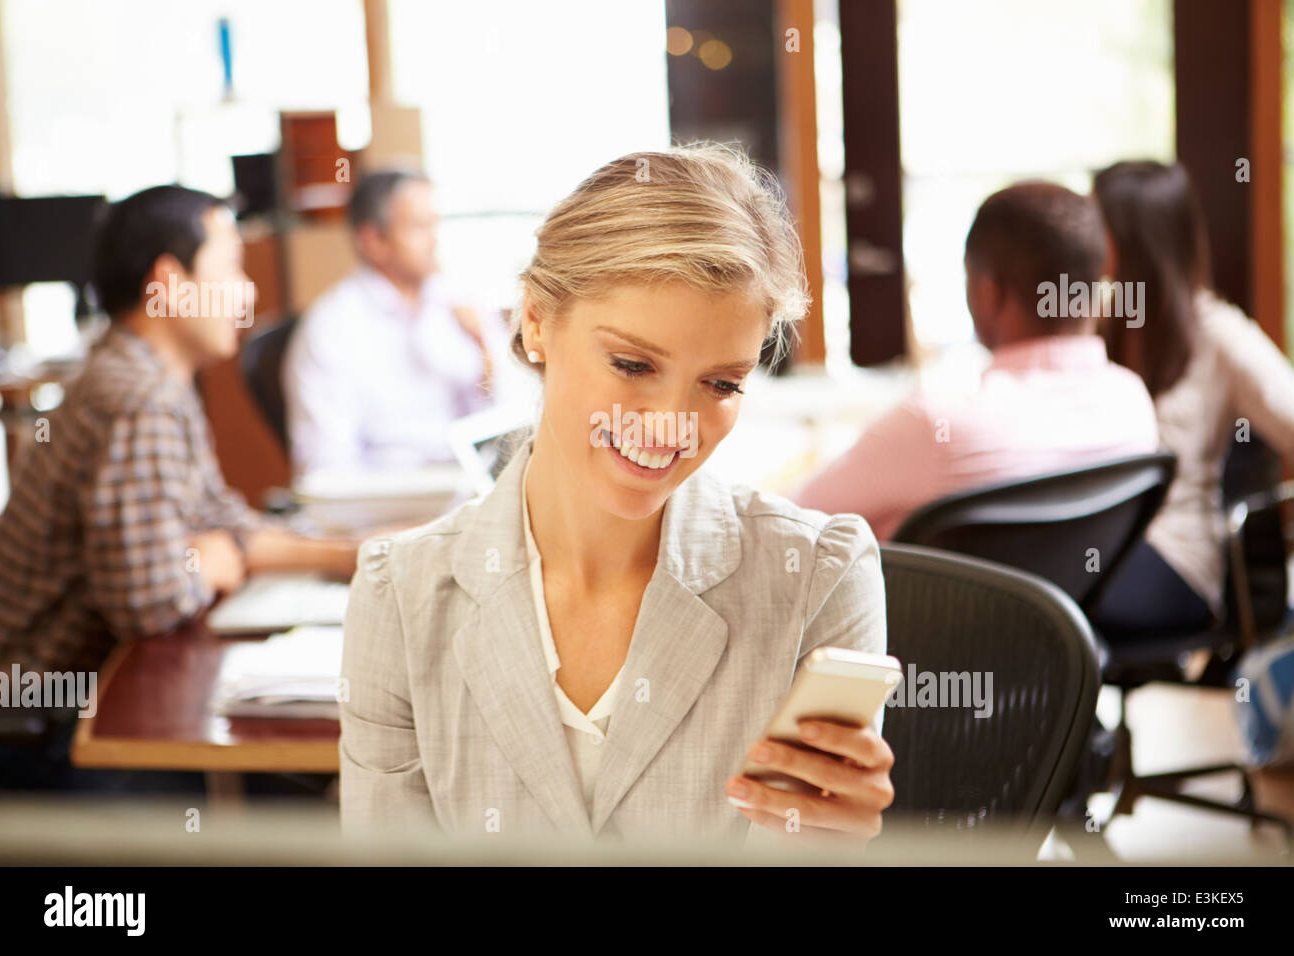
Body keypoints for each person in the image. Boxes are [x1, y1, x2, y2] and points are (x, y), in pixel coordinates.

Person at [339, 145, 894, 846]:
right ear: (536, 320)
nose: (670, 425)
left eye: (721, 384)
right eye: (633, 365)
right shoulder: (400, 595)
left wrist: (832, 850)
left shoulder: (818, 576)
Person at [0, 185, 359, 684]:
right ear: (170, 283)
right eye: (230, 268)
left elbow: (216, 518)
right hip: (49, 712)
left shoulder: (146, 374)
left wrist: (351, 554)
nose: (246, 293)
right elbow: (145, 600)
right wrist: (203, 564)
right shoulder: (138, 399)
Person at [793, 181, 1160, 539]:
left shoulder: (936, 425)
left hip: (930, 603)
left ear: (988, 292)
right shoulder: (1132, 403)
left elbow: (789, 521)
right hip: (1071, 602)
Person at [1090, 160, 1294, 633]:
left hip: (1174, 554)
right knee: (1023, 590)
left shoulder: (1220, 335)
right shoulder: (1102, 322)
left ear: (1135, 239)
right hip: (1102, 538)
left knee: (1048, 606)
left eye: (1097, 226)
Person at [281, 169, 512, 477]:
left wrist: (484, 346)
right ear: (374, 240)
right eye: (420, 227)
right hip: (389, 500)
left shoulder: (454, 304)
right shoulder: (331, 329)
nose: (434, 239)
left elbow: (504, 415)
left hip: (466, 479)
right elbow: (325, 468)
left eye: (435, 224)